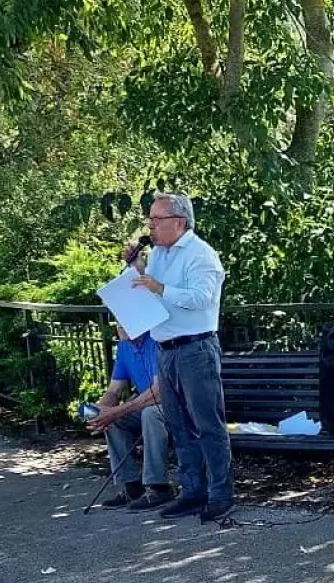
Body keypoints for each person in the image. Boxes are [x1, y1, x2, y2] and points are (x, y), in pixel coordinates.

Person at [136, 193, 233, 523]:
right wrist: (135, 269)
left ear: (178, 222)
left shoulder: (201, 255)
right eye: (150, 219)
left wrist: (161, 288)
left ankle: (221, 493)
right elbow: (148, 290)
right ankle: (191, 491)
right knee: (178, 425)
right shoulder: (158, 255)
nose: (151, 225)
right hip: (166, 349)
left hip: (196, 349)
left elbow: (202, 299)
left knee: (208, 425)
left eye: (157, 219)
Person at [90, 323, 173, 511]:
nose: (118, 325)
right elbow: (114, 390)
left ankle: (159, 487)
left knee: (151, 414)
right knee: (113, 421)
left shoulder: (156, 341)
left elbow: (159, 392)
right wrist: (101, 411)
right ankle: (132, 486)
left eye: (124, 320)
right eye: (116, 321)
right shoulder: (124, 346)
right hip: (144, 404)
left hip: (173, 405)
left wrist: (116, 411)